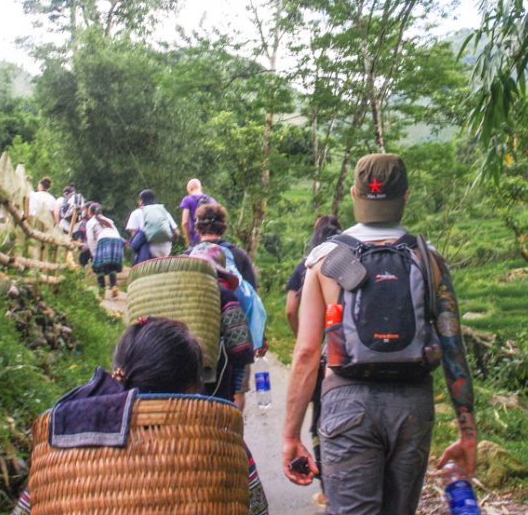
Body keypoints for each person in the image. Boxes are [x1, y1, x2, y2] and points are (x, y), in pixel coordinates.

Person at [281, 153, 478, 515]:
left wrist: (291, 435)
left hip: (346, 402)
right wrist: (467, 432)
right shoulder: (429, 259)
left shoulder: (325, 259)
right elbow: (453, 348)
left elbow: (308, 352)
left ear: (355, 194)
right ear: (405, 197)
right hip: (413, 407)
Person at [13, 316, 268, 515]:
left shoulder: (67, 431)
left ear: (118, 371)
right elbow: (257, 508)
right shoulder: (220, 439)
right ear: (192, 385)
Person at [284, 214, 341, 505]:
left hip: (320, 355)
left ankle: (326, 484)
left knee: (320, 419)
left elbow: (291, 309)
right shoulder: (350, 258)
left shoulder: (309, 263)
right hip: (348, 356)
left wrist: (304, 336)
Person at [195, 203, 267, 411]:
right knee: (236, 391)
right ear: (223, 227)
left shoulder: (188, 255)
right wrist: (260, 338)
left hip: (196, 338)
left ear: (197, 227)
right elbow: (252, 299)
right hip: (236, 338)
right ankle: (232, 438)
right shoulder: (239, 256)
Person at [185, 242, 255, 402]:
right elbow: (240, 348)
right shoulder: (225, 295)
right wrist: (236, 388)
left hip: (179, 379)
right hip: (216, 384)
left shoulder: (178, 295)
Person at [126, 189, 178, 265]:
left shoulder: (136, 213)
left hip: (148, 254)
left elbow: (134, 237)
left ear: (141, 201)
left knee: (136, 243)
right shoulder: (163, 211)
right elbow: (176, 233)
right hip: (166, 251)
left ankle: (138, 268)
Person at [85, 202, 124, 294]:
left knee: (98, 266)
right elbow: (117, 234)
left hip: (104, 240)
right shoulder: (108, 220)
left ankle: (101, 290)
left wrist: (94, 252)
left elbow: (90, 239)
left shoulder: (90, 222)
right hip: (116, 240)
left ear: (90, 213)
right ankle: (114, 286)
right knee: (111, 265)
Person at [180, 178, 214, 246]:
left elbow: (185, 222)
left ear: (190, 189)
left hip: (195, 239)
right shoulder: (211, 200)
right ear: (201, 188)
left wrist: (188, 240)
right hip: (211, 238)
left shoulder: (187, 200)